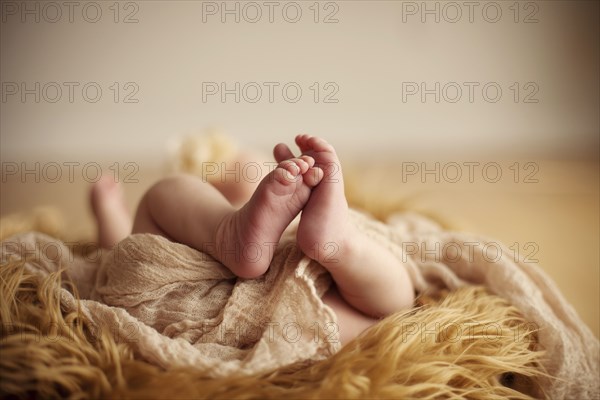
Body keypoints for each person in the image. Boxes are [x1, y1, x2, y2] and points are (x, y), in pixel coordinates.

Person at [90, 134, 415, 344]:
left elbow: (117, 255)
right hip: (291, 315)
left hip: (255, 320)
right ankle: (342, 244)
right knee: (394, 298)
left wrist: (108, 210)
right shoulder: (184, 228)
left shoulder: (174, 213)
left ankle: (338, 243)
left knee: (158, 198)